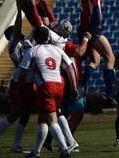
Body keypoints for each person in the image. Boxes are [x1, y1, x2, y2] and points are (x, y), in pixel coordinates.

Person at [18, 27, 78, 158]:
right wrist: (74, 87)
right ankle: (36, 151)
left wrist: (20, 88)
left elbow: (22, 72)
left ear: (35, 38)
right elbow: (70, 68)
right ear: (48, 38)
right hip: (59, 85)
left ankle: (64, 149)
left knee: (51, 120)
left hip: (46, 86)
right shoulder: (58, 49)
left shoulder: (33, 50)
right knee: (42, 119)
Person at [0, 8, 36, 155]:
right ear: (12, 35)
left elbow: (36, 29)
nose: (20, 31)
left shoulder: (25, 42)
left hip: (29, 81)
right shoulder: (13, 45)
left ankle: (16, 145)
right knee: (15, 114)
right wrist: (21, 9)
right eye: (16, 30)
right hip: (19, 82)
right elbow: (19, 29)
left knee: (26, 114)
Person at [76, 0, 119, 104]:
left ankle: (82, 86)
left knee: (95, 61)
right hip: (92, 30)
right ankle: (109, 92)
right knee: (110, 58)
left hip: (85, 29)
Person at [43, 20, 92, 152]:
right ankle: (66, 142)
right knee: (77, 113)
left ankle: (48, 140)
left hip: (60, 82)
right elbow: (79, 52)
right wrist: (86, 39)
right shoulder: (63, 43)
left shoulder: (52, 42)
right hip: (67, 84)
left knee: (62, 113)